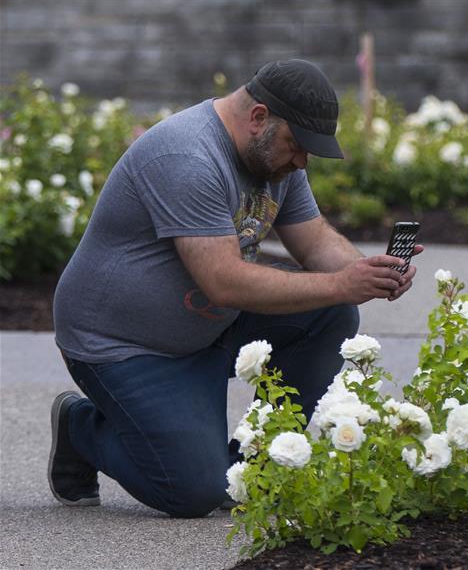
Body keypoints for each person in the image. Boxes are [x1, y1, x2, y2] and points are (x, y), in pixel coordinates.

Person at [48, 59, 423, 518]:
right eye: (297, 146)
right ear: (259, 117)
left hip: (208, 327)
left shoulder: (275, 160)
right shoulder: (187, 156)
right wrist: (342, 284)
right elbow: (223, 281)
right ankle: (80, 426)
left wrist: (367, 270)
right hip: (125, 346)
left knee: (333, 313)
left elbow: (316, 240)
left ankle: (256, 467)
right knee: (192, 493)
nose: (302, 160)